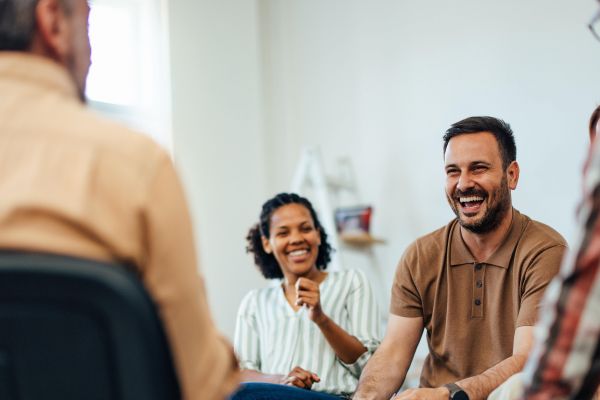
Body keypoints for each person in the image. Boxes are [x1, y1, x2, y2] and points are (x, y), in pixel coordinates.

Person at [0, 1, 238, 399]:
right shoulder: (134, 166)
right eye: (88, 23)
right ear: (53, 20)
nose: (91, 56)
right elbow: (203, 389)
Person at [353, 116, 567, 400]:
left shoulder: (546, 252)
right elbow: (392, 352)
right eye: (453, 171)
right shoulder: (420, 255)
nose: (463, 184)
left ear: (511, 175)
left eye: (478, 169)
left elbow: (527, 360)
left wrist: (448, 395)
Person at [231, 193, 382, 400]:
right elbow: (241, 374)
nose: (296, 239)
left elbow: (371, 367)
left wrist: (321, 319)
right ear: (267, 243)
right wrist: (281, 380)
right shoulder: (254, 303)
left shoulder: (351, 282)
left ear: (318, 234)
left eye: (305, 228)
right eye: (283, 233)